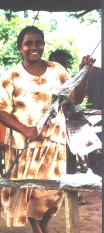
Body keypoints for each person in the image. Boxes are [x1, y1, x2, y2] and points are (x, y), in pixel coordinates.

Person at [0, 26, 95, 233]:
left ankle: (45, 224)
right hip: (24, 142)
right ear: (20, 48)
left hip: (54, 140)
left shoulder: (56, 70)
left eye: (38, 42)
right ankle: (37, 232)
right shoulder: (11, 76)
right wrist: (25, 129)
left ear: (43, 45)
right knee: (29, 190)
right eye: (28, 43)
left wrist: (84, 74)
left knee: (54, 191)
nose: (34, 47)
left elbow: (75, 98)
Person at [49, 49, 87, 205]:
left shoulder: (71, 79)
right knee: (55, 163)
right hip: (53, 130)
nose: (61, 66)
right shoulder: (47, 81)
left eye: (63, 63)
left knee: (71, 161)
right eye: (57, 62)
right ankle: (54, 194)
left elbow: (76, 102)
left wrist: (77, 114)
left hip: (71, 129)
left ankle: (72, 192)